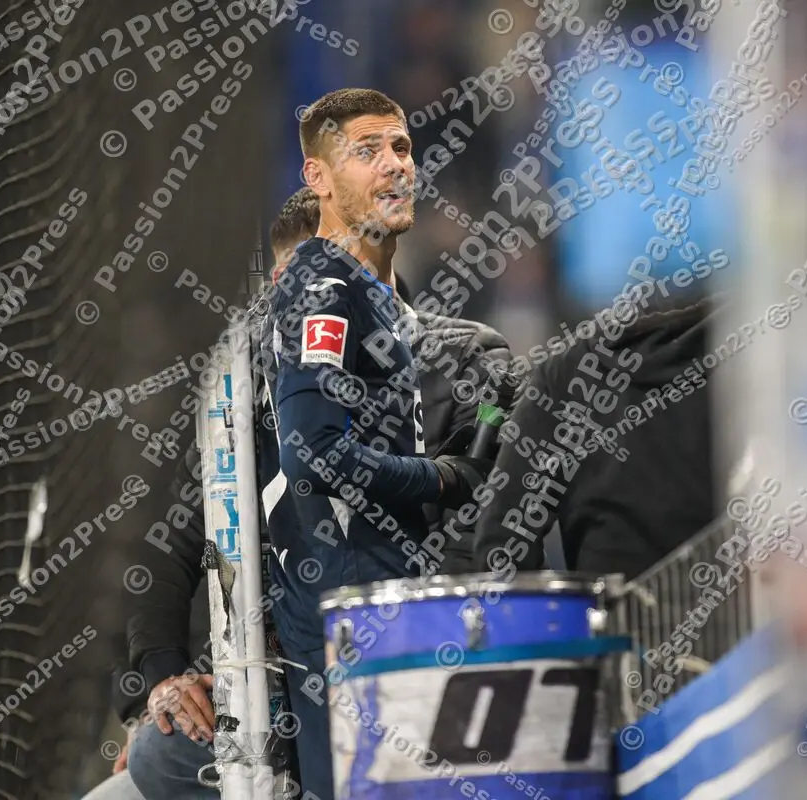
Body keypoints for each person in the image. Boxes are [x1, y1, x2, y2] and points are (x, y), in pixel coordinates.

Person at [118, 174, 506, 799]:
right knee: (158, 756)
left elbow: (488, 520)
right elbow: (169, 548)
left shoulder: (466, 357)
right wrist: (164, 680)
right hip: (285, 684)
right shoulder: (240, 391)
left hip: (417, 658)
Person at [264, 88, 497, 796]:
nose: (395, 165)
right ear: (318, 177)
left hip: (376, 607)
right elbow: (312, 453)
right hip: (351, 617)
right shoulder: (322, 280)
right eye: (366, 152)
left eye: (401, 147)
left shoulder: (371, 293)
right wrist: (442, 479)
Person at [472, 288, 723, 580]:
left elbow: (499, 551)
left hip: (611, 605)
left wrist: (565, 606)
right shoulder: (755, 360)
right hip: (747, 603)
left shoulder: (566, 373)